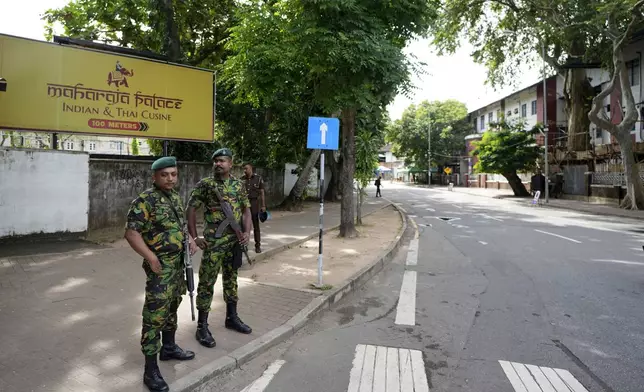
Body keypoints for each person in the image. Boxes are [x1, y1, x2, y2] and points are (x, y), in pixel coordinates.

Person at [124, 156, 198, 392]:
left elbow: (179, 226)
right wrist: (151, 257)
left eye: (173, 174)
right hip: (160, 267)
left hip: (178, 265)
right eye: (164, 175)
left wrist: (189, 240)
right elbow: (131, 234)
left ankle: (169, 348)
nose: (170, 178)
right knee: (154, 314)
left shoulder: (175, 197)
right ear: (154, 176)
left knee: (172, 305)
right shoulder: (145, 201)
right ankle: (150, 369)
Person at [187, 148, 253, 349]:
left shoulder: (238, 185)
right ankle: (202, 326)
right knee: (207, 282)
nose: (218, 164)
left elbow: (246, 210)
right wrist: (195, 236)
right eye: (216, 161)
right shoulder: (206, 185)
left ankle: (231, 317)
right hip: (213, 244)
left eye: (222, 161)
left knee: (231, 280)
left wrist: (247, 233)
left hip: (234, 242)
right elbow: (190, 209)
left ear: (231, 164)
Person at [242, 162, 266, 253]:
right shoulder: (241, 179)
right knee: (243, 226)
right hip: (244, 204)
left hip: (254, 203)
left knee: (256, 225)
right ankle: (244, 245)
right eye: (243, 169)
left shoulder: (258, 178)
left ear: (251, 168)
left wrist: (263, 205)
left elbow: (262, 192)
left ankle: (257, 245)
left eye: (246, 168)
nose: (245, 170)